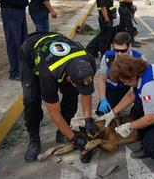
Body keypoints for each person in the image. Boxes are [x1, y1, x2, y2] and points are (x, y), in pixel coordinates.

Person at [18, 32, 99, 163]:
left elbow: (86, 93)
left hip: (57, 43)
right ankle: (34, 140)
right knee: (31, 100)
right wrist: (74, 139)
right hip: (30, 53)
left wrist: (88, 120)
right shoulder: (48, 75)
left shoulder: (88, 61)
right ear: (68, 78)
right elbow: (53, 113)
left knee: (72, 96)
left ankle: (63, 131)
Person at [96, 32, 144, 119]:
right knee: (102, 114)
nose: (119, 54)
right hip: (112, 89)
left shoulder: (139, 59)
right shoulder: (107, 57)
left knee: (135, 115)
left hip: (131, 89)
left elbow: (142, 85)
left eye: (123, 51)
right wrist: (103, 99)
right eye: (116, 50)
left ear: (129, 46)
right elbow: (101, 78)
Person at [0, 0, 28, 81]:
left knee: (23, 42)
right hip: (10, 9)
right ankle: (15, 72)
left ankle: (22, 70)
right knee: (14, 42)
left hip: (20, 8)